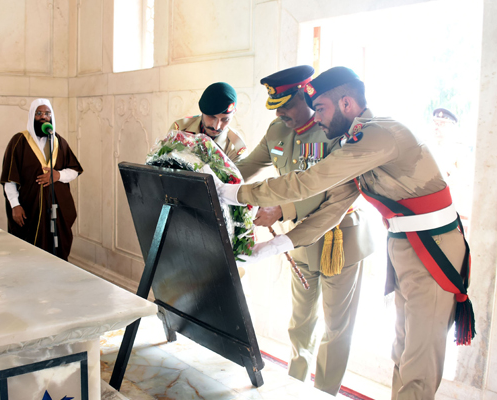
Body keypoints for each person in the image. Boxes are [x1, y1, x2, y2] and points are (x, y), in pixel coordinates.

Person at [216, 67, 473, 400]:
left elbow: (309, 183)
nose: (317, 117)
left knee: (418, 364)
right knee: (403, 351)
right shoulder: (353, 142)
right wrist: (278, 245)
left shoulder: (378, 136)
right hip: (404, 247)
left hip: (431, 249)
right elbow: (335, 207)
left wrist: (235, 194)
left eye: (321, 108)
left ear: (347, 104)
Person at [235, 65, 374, 396]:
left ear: (306, 96)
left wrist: (281, 209)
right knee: (300, 323)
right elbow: (242, 169)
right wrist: (205, 174)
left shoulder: (336, 130)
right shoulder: (277, 132)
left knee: (336, 329)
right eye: (276, 107)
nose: (280, 113)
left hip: (339, 240)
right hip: (298, 242)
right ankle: (295, 387)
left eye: (286, 105)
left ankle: (324, 392)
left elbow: (331, 190)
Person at [0, 98, 83, 261]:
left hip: (57, 207)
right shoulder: (19, 141)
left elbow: (74, 170)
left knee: (57, 248)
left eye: (47, 113)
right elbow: (10, 179)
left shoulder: (58, 142)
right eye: (39, 113)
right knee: (29, 250)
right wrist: (15, 205)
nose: (44, 117)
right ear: (32, 115)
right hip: (29, 207)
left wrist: (58, 175)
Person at [169, 82, 247, 162]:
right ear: (202, 111)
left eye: (225, 119)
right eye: (212, 117)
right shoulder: (180, 129)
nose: (216, 127)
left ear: (234, 112)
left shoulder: (235, 147)